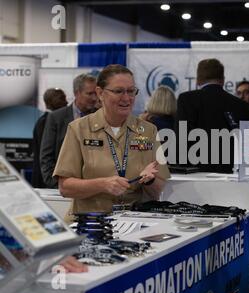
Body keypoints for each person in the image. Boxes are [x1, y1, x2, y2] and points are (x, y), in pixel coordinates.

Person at [53, 64, 170, 224]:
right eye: (118, 91)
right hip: (89, 224)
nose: (127, 98)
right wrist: (102, 184)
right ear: (100, 93)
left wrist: (149, 180)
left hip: (133, 224)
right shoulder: (79, 129)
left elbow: (159, 188)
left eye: (131, 91)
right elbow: (65, 187)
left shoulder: (148, 131)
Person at [176, 58, 249, 173]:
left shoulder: (186, 100)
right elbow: (246, 147)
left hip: (195, 173)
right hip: (231, 174)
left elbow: (182, 137)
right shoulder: (242, 106)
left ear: (198, 80)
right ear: (222, 80)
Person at [40, 73, 98, 188]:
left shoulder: (100, 116)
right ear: (77, 93)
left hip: (93, 189)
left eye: (96, 93)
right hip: (62, 190)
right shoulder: (56, 118)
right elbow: (46, 156)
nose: (94, 98)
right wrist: (57, 185)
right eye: (90, 93)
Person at [31, 88, 68, 188]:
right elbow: (46, 155)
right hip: (47, 181)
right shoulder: (45, 122)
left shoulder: (45, 121)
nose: (66, 101)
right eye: (62, 98)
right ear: (52, 101)